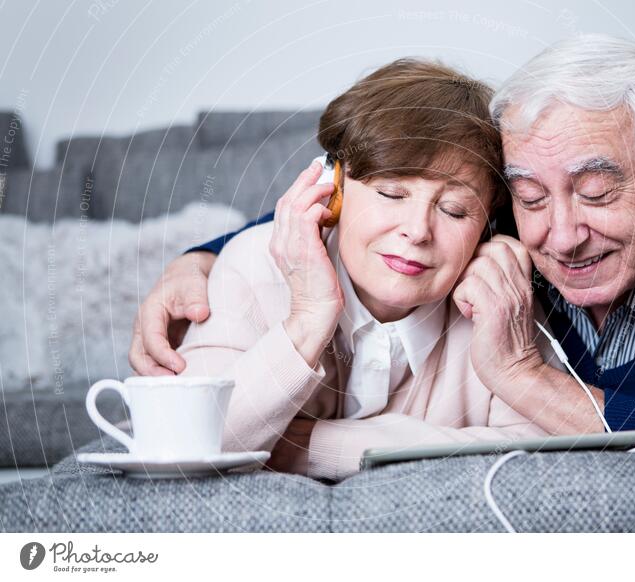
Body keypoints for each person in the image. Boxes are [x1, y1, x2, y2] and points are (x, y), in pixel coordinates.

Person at [131, 36, 635, 468]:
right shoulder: (500, 200)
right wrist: (204, 256)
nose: (562, 236)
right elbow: (383, 225)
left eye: (598, 193)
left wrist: (524, 377)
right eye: (530, 200)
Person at [169, 58, 559, 480]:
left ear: (487, 227)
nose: (417, 231)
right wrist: (307, 318)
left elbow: (542, 450)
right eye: (391, 193)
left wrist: (301, 445)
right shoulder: (251, 266)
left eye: (454, 209)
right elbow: (187, 439)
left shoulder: (500, 293)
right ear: (333, 190)